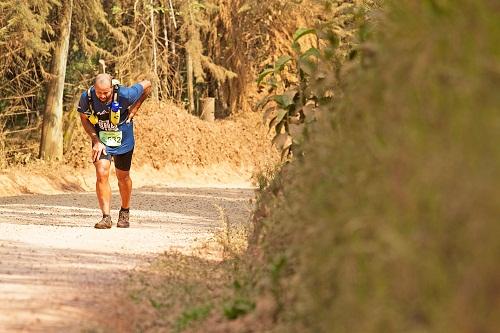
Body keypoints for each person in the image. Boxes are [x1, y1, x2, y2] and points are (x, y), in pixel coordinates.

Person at [78, 73, 151, 229]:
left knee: (123, 177)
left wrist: (134, 108)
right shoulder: (87, 97)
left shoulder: (125, 94)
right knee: (101, 172)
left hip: (124, 139)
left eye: (106, 93)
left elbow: (147, 84)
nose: (103, 96)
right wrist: (96, 140)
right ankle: (106, 217)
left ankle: (124, 211)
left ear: (112, 87)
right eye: (99, 93)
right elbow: (84, 119)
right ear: (94, 88)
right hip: (101, 141)